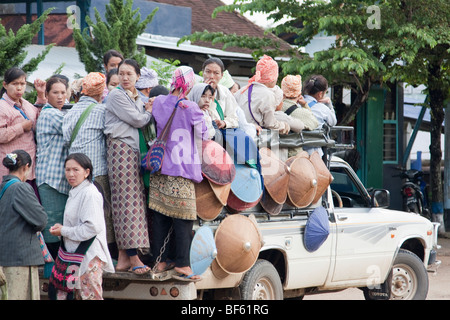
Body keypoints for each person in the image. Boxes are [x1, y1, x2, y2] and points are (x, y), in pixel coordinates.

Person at [150, 66, 207, 280]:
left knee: (160, 217)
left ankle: (160, 261)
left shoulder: (158, 102)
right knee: (184, 218)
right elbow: (203, 132)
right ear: (189, 84)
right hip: (182, 169)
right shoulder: (190, 107)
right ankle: (183, 264)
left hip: (160, 166)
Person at [104, 59, 152, 274]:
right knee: (127, 204)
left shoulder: (136, 96)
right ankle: (133, 258)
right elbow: (138, 120)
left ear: (137, 77)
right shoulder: (116, 95)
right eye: (121, 74)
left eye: (129, 74)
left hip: (131, 151)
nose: (124, 78)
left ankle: (124, 258)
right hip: (121, 149)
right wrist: (148, 112)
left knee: (132, 203)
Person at [62, 72, 115, 256]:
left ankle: (80, 251)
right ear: (101, 94)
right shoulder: (101, 111)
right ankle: (103, 252)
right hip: (96, 171)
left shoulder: (71, 111)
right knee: (102, 214)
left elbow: (67, 137)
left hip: (74, 170)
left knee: (78, 213)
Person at [49, 153, 114, 300]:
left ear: (87, 172)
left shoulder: (89, 194)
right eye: (67, 170)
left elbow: (92, 228)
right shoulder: (75, 192)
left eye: (75, 170)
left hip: (89, 259)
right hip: (76, 258)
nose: (71, 174)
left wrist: (64, 230)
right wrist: (62, 229)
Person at [0, 150, 47, 300]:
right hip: (20, 260)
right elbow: (41, 220)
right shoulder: (20, 188)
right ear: (26, 167)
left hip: (5, 258)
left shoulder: (3, 187)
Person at [36, 77, 71, 258]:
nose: (60, 97)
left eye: (63, 93)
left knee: (58, 225)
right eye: (55, 93)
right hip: (51, 179)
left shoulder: (57, 112)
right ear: (47, 94)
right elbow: (72, 129)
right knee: (53, 227)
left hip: (56, 179)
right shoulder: (50, 114)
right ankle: (54, 266)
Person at [0, 67, 46, 195]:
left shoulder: (26, 104)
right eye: (15, 84)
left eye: (22, 84)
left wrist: (41, 96)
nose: (19, 88)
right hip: (10, 170)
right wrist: (21, 127)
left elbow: (41, 122)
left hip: (29, 169)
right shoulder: (2, 106)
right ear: (5, 85)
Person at [234, 55, 290, 135]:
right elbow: (270, 124)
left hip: (239, 136)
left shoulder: (242, 91)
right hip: (256, 139)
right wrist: (285, 126)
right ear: (273, 77)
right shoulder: (268, 95)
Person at [202, 58, 239, 130]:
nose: (211, 76)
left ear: (221, 75)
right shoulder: (196, 92)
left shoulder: (224, 91)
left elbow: (234, 117)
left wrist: (224, 123)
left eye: (216, 73)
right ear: (203, 72)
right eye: (208, 72)